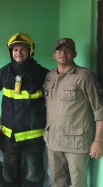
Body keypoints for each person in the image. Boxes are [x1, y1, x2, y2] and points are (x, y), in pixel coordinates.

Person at [0, 32, 49, 187]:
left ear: (30, 51)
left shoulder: (43, 74)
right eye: (15, 50)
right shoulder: (3, 72)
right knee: (9, 175)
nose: (18, 53)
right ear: (10, 52)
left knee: (33, 175)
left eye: (22, 49)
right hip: (10, 136)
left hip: (33, 136)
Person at [44, 38, 103, 187]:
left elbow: (99, 110)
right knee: (57, 182)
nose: (62, 53)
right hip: (53, 141)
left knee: (78, 184)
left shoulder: (85, 76)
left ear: (74, 54)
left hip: (76, 144)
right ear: (54, 55)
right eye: (59, 50)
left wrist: (98, 141)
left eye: (67, 50)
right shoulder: (49, 77)